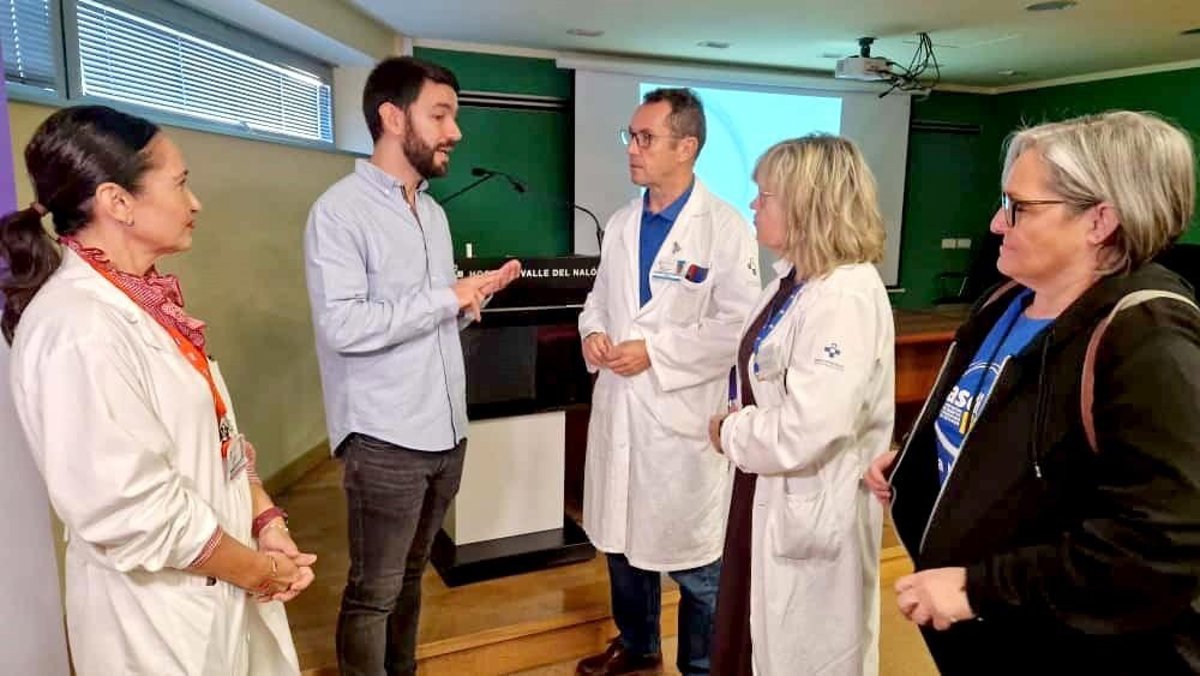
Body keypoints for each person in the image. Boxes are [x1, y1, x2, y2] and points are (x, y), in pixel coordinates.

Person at [867, 110, 1200, 674]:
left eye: (1018, 207)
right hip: (992, 638)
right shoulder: (1009, 300)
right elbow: (1005, 428)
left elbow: (1162, 539)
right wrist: (921, 456)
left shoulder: (1147, 337)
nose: (997, 223)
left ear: (1099, 221)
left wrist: (979, 588)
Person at [1, 105, 314, 675]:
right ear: (117, 202)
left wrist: (265, 520)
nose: (195, 203)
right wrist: (261, 573)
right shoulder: (78, 328)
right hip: (158, 622)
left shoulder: (146, 303)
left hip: (215, 595)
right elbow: (133, 509)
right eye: (180, 183)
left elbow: (218, 438)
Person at [304, 56, 520, 676]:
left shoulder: (433, 212)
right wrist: (447, 297)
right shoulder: (339, 212)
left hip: (445, 432)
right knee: (373, 592)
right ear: (393, 118)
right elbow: (345, 326)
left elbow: (424, 317)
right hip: (385, 438)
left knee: (410, 578)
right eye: (441, 115)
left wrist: (469, 301)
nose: (456, 132)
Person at [575, 87, 760, 676]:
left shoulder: (725, 228)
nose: (632, 148)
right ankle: (638, 644)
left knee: (695, 560)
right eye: (630, 136)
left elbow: (738, 326)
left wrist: (655, 352)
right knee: (622, 541)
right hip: (621, 406)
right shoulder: (622, 223)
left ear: (686, 147)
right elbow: (598, 302)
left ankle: (703, 665)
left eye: (645, 138)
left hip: (681, 419)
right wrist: (593, 334)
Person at [707, 135, 894, 675]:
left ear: (807, 204)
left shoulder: (844, 296)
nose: (753, 205)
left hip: (809, 509)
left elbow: (809, 428)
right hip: (763, 494)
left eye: (765, 195)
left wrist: (730, 433)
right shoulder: (792, 282)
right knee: (749, 640)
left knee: (805, 653)